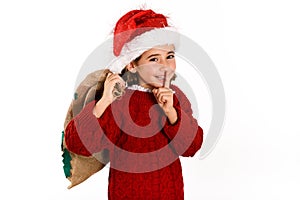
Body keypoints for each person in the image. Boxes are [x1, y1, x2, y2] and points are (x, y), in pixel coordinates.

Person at [64, 8, 203, 200]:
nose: (165, 65)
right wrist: (104, 102)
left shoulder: (175, 97)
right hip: (126, 193)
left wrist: (172, 113)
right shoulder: (118, 100)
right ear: (132, 64)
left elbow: (193, 147)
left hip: (170, 193)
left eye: (169, 56)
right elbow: (78, 144)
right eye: (154, 59)